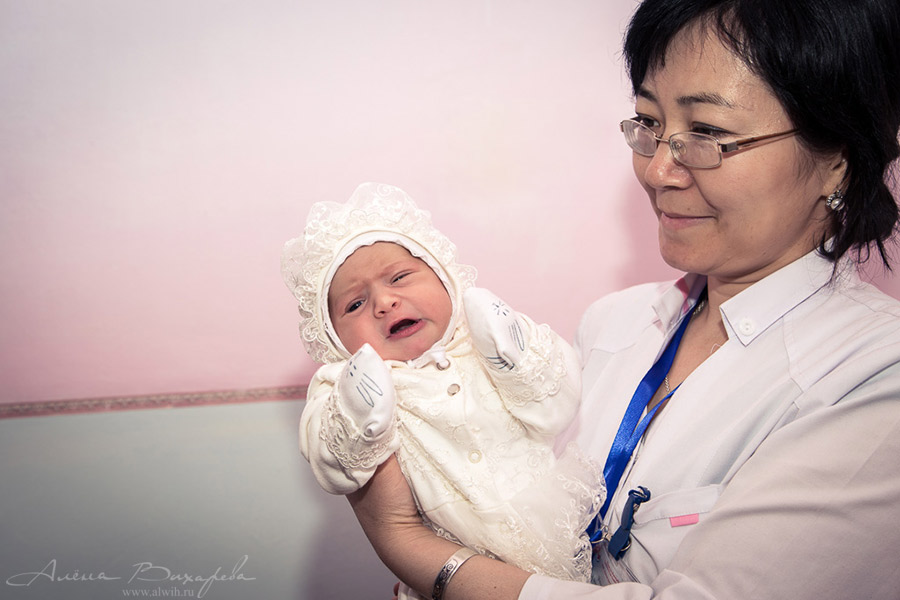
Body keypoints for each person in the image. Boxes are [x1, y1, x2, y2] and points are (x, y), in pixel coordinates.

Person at [344, 0, 900, 598]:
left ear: (837, 161)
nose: (659, 168)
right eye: (648, 121)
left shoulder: (873, 376)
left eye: (708, 133)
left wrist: (412, 547)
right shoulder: (613, 324)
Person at [280, 182, 605, 599]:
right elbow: (333, 467)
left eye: (399, 277)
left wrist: (514, 356)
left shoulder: (481, 342)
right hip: (447, 559)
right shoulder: (339, 385)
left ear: (446, 279)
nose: (384, 302)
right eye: (354, 305)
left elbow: (555, 408)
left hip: (551, 523)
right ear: (333, 337)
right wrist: (356, 413)